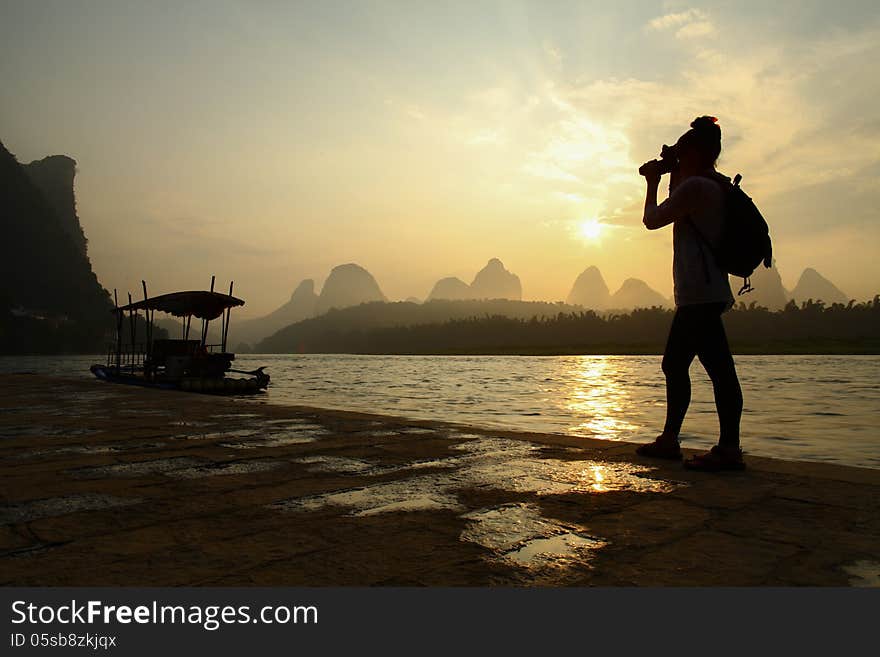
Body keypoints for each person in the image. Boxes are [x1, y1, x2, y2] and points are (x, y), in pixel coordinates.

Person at [636, 116, 745, 471]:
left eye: (682, 153)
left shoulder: (697, 187)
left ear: (696, 153)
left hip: (699, 293)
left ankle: (722, 448)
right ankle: (676, 440)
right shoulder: (711, 184)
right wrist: (672, 172)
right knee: (690, 366)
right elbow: (679, 204)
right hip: (704, 291)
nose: (678, 160)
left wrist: (653, 181)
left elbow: (652, 219)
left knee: (711, 369)